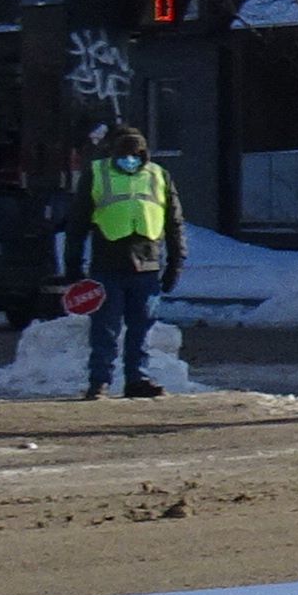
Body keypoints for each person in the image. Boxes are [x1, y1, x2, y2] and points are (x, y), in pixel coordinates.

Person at [65, 122, 182, 399]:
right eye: (124, 152)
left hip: (147, 265)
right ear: (111, 152)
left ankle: (137, 380)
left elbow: (174, 223)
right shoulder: (97, 174)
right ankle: (100, 382)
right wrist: (73, 264)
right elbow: (78, 223)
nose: (130, 158)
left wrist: (176, 263)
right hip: (108, 264)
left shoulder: (159, 176)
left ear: (145, 154)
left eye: (136, 153)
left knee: (141, 328)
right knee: (105, 328)